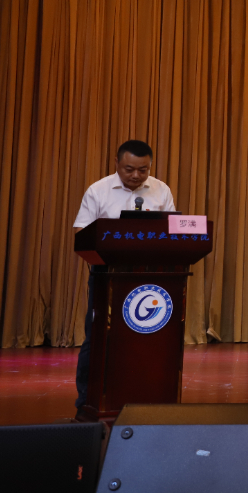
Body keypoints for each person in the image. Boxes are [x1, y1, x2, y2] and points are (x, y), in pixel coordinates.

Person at [72, 140, 176, 420]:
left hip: (149, 279)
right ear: (116, 163)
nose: (136, 175)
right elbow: (81, 233)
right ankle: (87, 402)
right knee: (97, 338)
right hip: (107, 277)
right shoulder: (98, 190)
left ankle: (148, 398)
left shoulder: (161, 190)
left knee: (148, 340)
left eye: (143, 170)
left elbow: (172, 231)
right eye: (129, 169)